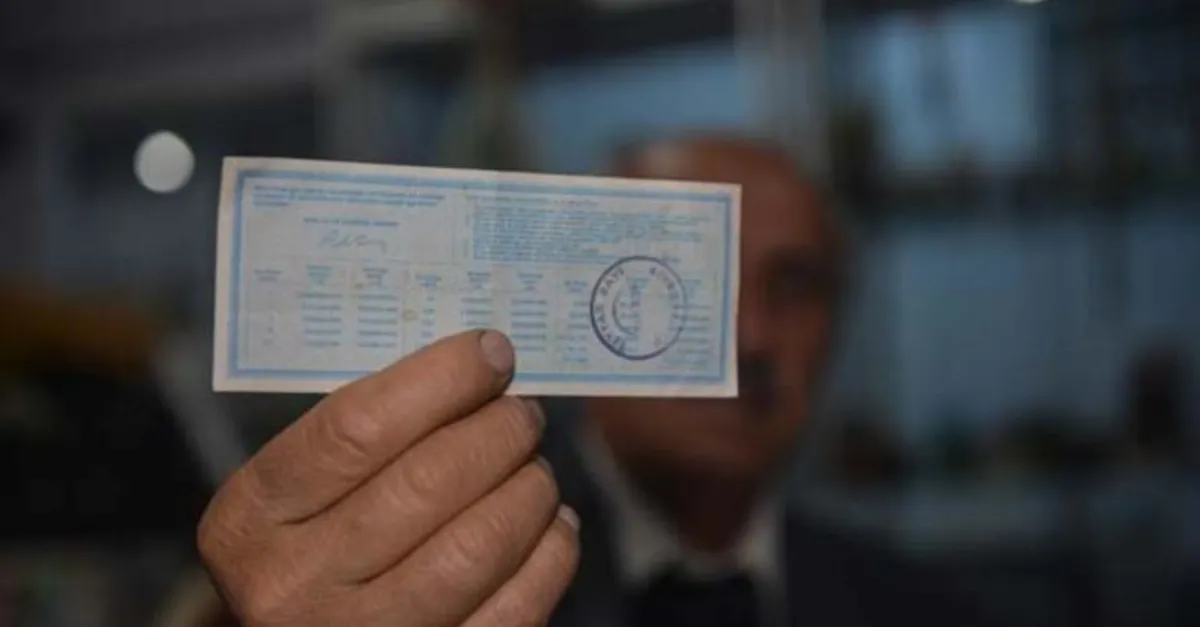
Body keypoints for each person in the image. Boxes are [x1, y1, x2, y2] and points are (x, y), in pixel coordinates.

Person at [197, 135, 982, 627]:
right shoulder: (407, 573)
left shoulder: (921, 607)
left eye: (794, 284)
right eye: (682, 275)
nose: (747, 334)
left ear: (839, 324)